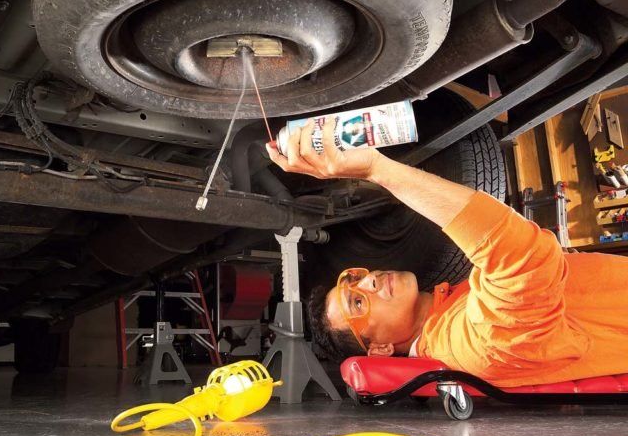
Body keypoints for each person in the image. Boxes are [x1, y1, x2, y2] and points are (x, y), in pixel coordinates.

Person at [266, 116, 628, 388]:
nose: (369, 281)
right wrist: (378, 169)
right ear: (380, 350)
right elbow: (523, 259)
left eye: (355, 279)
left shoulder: (449, 305)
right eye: (357, 303)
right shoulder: (465, 347)